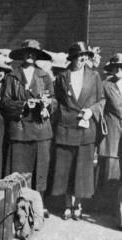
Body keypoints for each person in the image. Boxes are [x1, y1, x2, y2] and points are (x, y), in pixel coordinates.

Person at [1, 40, 56, 217]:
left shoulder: (44, 76)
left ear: (37, 55)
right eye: (27, 52)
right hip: (20, 130)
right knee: (19, 170)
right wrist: (24, 105)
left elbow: (54, 100)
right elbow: (5, 102)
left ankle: (38, 206)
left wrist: (48, 104)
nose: (30, 55)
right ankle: (18, 207)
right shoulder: (12, 76)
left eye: (33, 52)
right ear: (22, 54)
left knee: (40, 170)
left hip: (41, 130)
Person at [52, 41, 104, 220]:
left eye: (85, 56)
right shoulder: (61, 77)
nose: (82, 59)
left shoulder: (94, 76)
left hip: (85, 130)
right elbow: (56, 101)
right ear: (72, 59)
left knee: (82, 171)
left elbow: (102, 100)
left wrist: (91, 111)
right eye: (78, 57)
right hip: (66, 129)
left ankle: (78, 205)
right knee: (66, 169)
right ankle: (67, 205)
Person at [98, 54, 122, 185]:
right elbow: (100, 106)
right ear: (111, 69)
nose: (118, 70)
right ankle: (108, 205)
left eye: (121, 67)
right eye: (115, 67)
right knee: (111, 174)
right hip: (113, 136)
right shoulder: (106, 85)